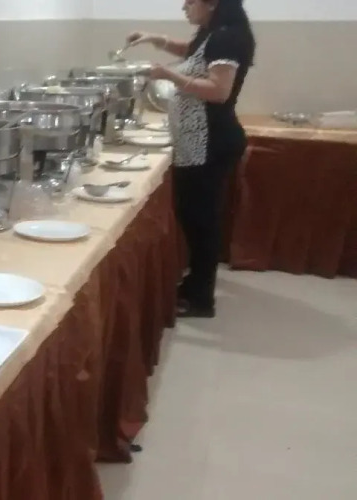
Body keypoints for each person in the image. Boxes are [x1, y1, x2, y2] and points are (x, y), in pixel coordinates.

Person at [127, 0, 256, 318]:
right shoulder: (212, 33)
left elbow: (218, 90)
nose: (184, 7)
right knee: (194, 217)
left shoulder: (227, 37)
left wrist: (167, 75)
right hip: (197, 142)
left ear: (211, 3)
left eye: (190, 1)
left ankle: (201, 298)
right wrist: (155, 39)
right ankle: (195, 283)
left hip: (209, 142)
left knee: (201, 221)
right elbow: (192, 51)